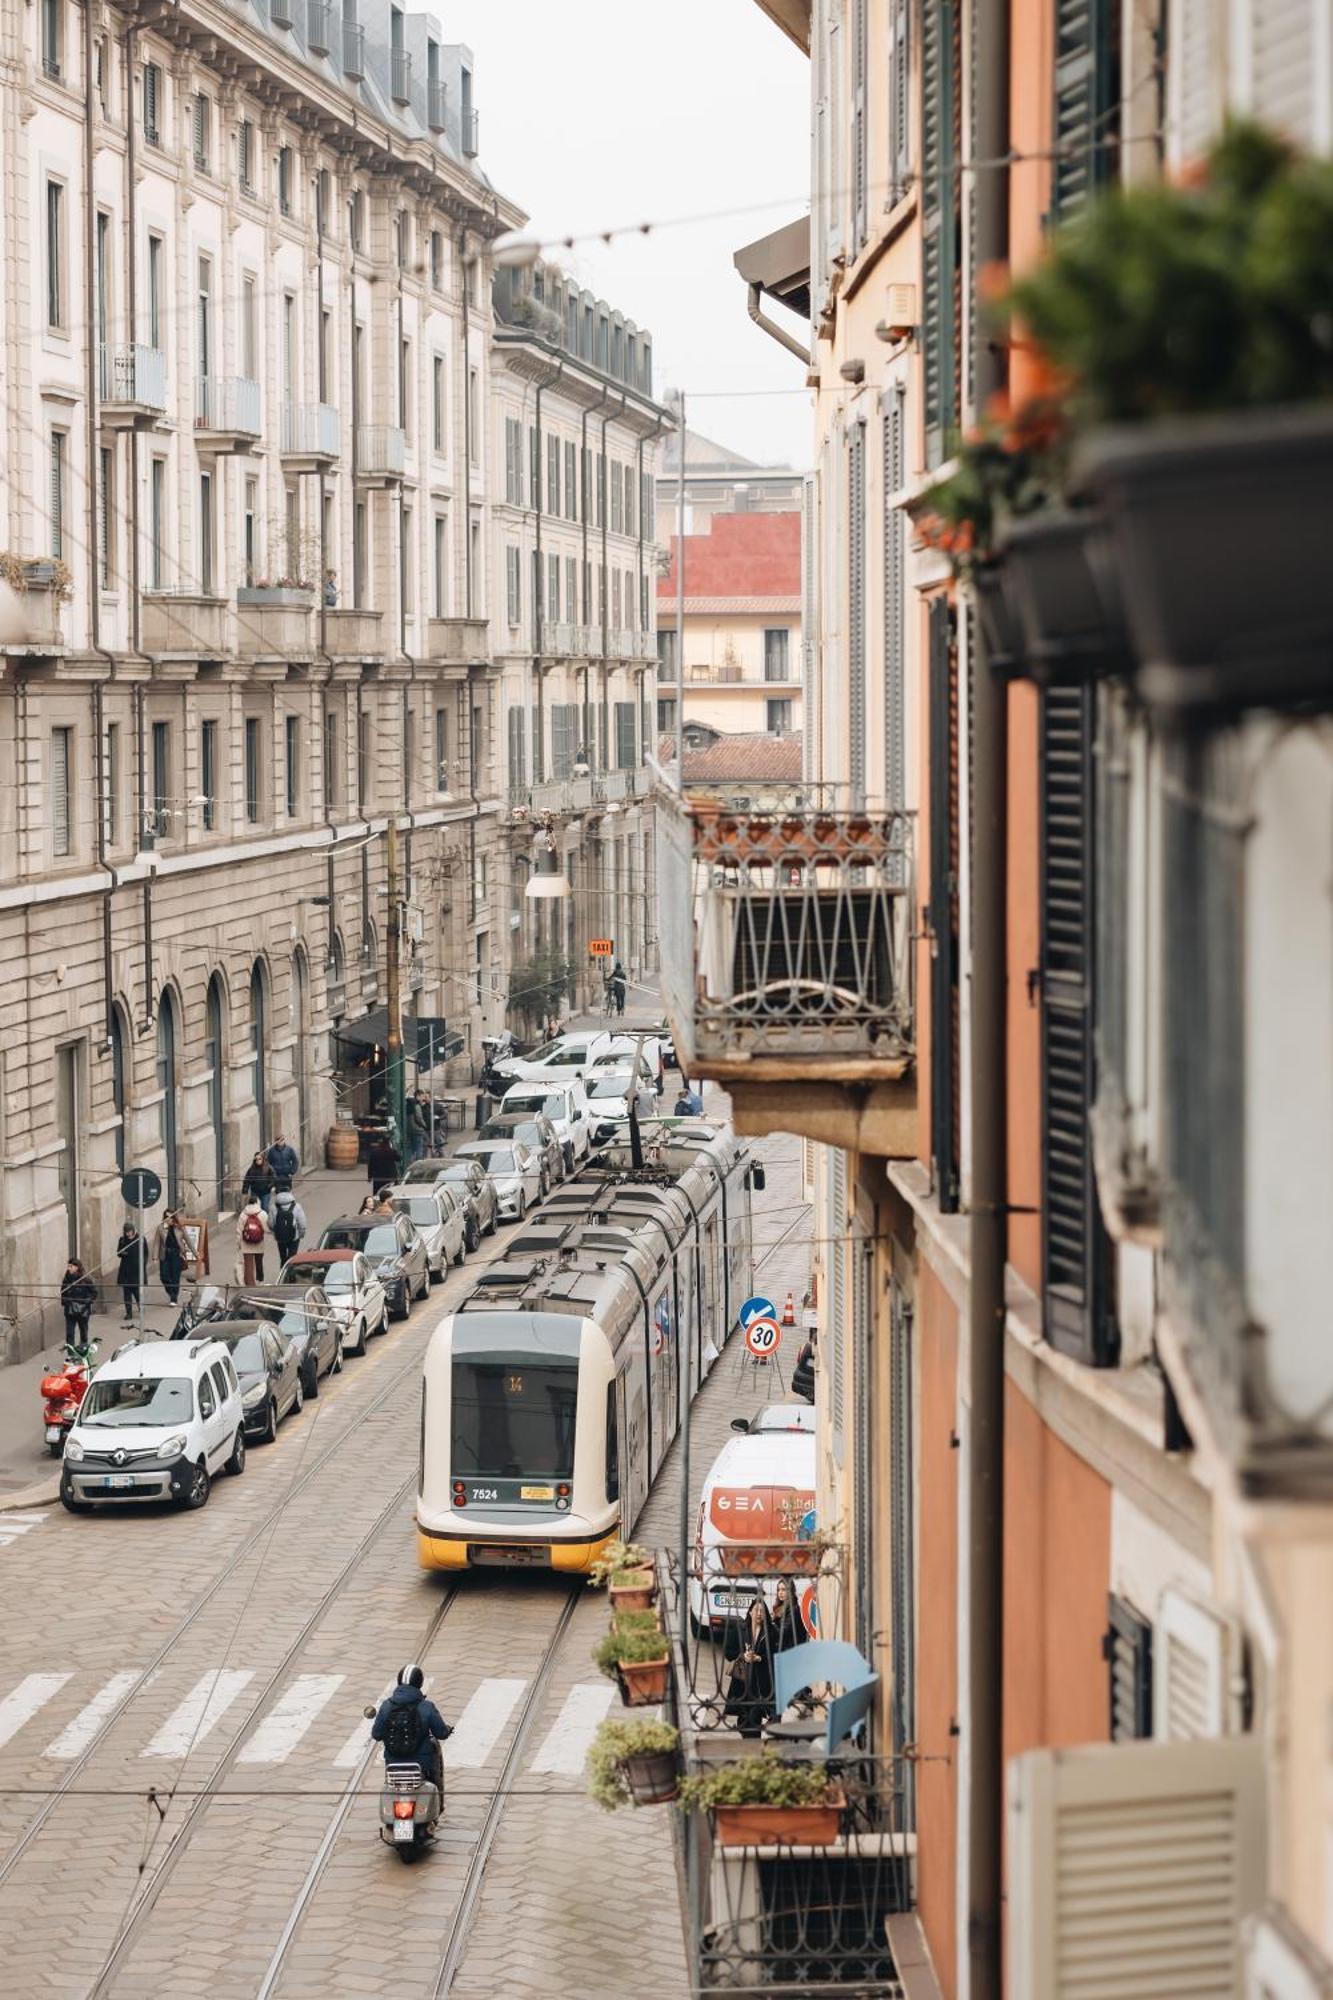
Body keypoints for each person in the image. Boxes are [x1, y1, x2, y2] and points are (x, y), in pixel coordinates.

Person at [370, 1664, 452, 1791]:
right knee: (434, 1780)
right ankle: (439, 1803)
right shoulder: (427, 1707)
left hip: (393, 1764)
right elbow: (441, 1733)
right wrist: (447, 1730)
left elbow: (376, 1735)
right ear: (420, 1683)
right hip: (421, 1765)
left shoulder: (386, 1706)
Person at [60, 1259, 98, 1347]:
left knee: (83, 1332)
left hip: (83, 1310)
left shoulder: (86, 1279)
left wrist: (87, 1302)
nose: (68, 1268)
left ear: (77, 1267)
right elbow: (63, 1292)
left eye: (71, 1266)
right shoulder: (67, 1279)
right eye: (68, 1266)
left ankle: (83, 1349)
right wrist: (66, 1302)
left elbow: (94, 1293)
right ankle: (71, 1353)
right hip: (70, 1310)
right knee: (69, 1334)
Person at [116, 1221, 146, 1325]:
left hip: (136, 1269)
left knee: (136, 1292)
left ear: (133, 1230)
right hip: (126, 1269)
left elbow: (145, 1253)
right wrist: (123, 1253)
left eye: (129, 1231)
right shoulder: (122, 1240)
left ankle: (140, 1308)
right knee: (126, 1293)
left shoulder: (140, 1239)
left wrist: (142, 1265)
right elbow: (118, 1253)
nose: (128, 1234)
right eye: (126, 1232)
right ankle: (129, 1313)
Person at [154, 1213, 187, 1306]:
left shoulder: (179, 1227)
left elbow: (188, 1240)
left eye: (170, 1218)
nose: (168, 1220)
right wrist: (155, 1257)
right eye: (166, 1218)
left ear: (173, 1218)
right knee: (163, 1276)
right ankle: (171, 1292)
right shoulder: (161, 1228)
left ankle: (174, 1299)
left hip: (177, 1254)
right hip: (165, 1255)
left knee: (175, 1277)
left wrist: (196, 1253)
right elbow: (157, 1243)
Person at [236, 1199, 270, 1285]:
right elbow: (267, 1229)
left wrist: (238, 1244)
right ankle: (260, 1280)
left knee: (248, 1266)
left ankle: (250, 1284)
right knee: (259, 1262)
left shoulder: (243, 1214)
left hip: (246, 1244)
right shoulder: (262, 1213)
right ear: (258, 1203)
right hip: (259, 1243)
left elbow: (239, 1231)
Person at [271, 1188, 307, 1266]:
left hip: (280, 1237)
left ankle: (282, 1273)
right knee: (292, 1258)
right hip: (294, 1236)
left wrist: (275, 1231)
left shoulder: (273, 1207)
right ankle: (291, 1275)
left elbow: (271, 1223)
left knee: (283, 1258)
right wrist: (301, 1233)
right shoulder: (297, 1206)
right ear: (290, 1193)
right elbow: (302, 1223)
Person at [242, 1151, 276, 1216]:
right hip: (255, 1192)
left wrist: (270, 1186)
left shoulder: (268, 1167)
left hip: (265, 1192)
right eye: (256, 1159)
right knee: (254, 1209)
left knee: (264, 1208)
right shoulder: (251, 1169)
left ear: (262, 1158)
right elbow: (246, 1180)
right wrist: (245, 1191)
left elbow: (273, 1178)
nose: (258, 1160)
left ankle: (265, 1223)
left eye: (259, 1158)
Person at [406, 1095, 427, 1164]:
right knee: (419, 1148)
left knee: (410, 1149)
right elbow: (419, 1118)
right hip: (417, 1130)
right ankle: (419, 1163)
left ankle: (409, 1164)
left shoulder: (405, 1108)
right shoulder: (416, 1107)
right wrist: (424, 1126)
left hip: (408, 1130)